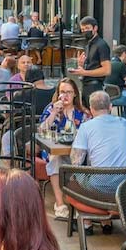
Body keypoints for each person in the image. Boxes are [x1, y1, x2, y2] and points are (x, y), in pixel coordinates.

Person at [71, 91, 126, 235]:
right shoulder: (124, 123)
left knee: (73, 179)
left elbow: (75, 161)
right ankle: (105, 221)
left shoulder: (86, 127)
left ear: (90, 109)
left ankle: (87, 222)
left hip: (100, 186)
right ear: (110, 106)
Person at [39, 78, 89, 219]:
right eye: (62, 92)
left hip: (77, 152)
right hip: (55, 151)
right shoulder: (51, 108)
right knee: (56, 159)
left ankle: (81, 203)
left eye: (69, 92)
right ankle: (60, 204)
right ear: (58, 93)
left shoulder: (81, 112)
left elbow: (90, 133)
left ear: (75, 94)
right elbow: (42, 131)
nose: (65, 95)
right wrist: (54, 112)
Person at [68, 16, 111, 107]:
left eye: (87, 28)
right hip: (85, 85)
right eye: (82, 29)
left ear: (95, 28)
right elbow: (91, 66)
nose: (84, 31)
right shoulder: (88, 45)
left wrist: (85, 72)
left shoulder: (101, 45)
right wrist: (81, 65)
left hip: (95, 86)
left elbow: (107, 70)